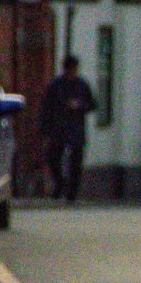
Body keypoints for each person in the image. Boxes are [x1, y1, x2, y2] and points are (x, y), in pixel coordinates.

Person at [40, 53, 96, 202]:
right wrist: (46, 130)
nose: (73, 72)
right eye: (71, 69)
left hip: (76, 129)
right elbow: (47, 108)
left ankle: (72, 193)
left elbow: (92, 104)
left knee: (76, 163)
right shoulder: (56, 86)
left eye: (75, 69)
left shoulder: (82, 85)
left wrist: (79, 106)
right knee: (53, 159)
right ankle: (59, 185)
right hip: (58, 129)